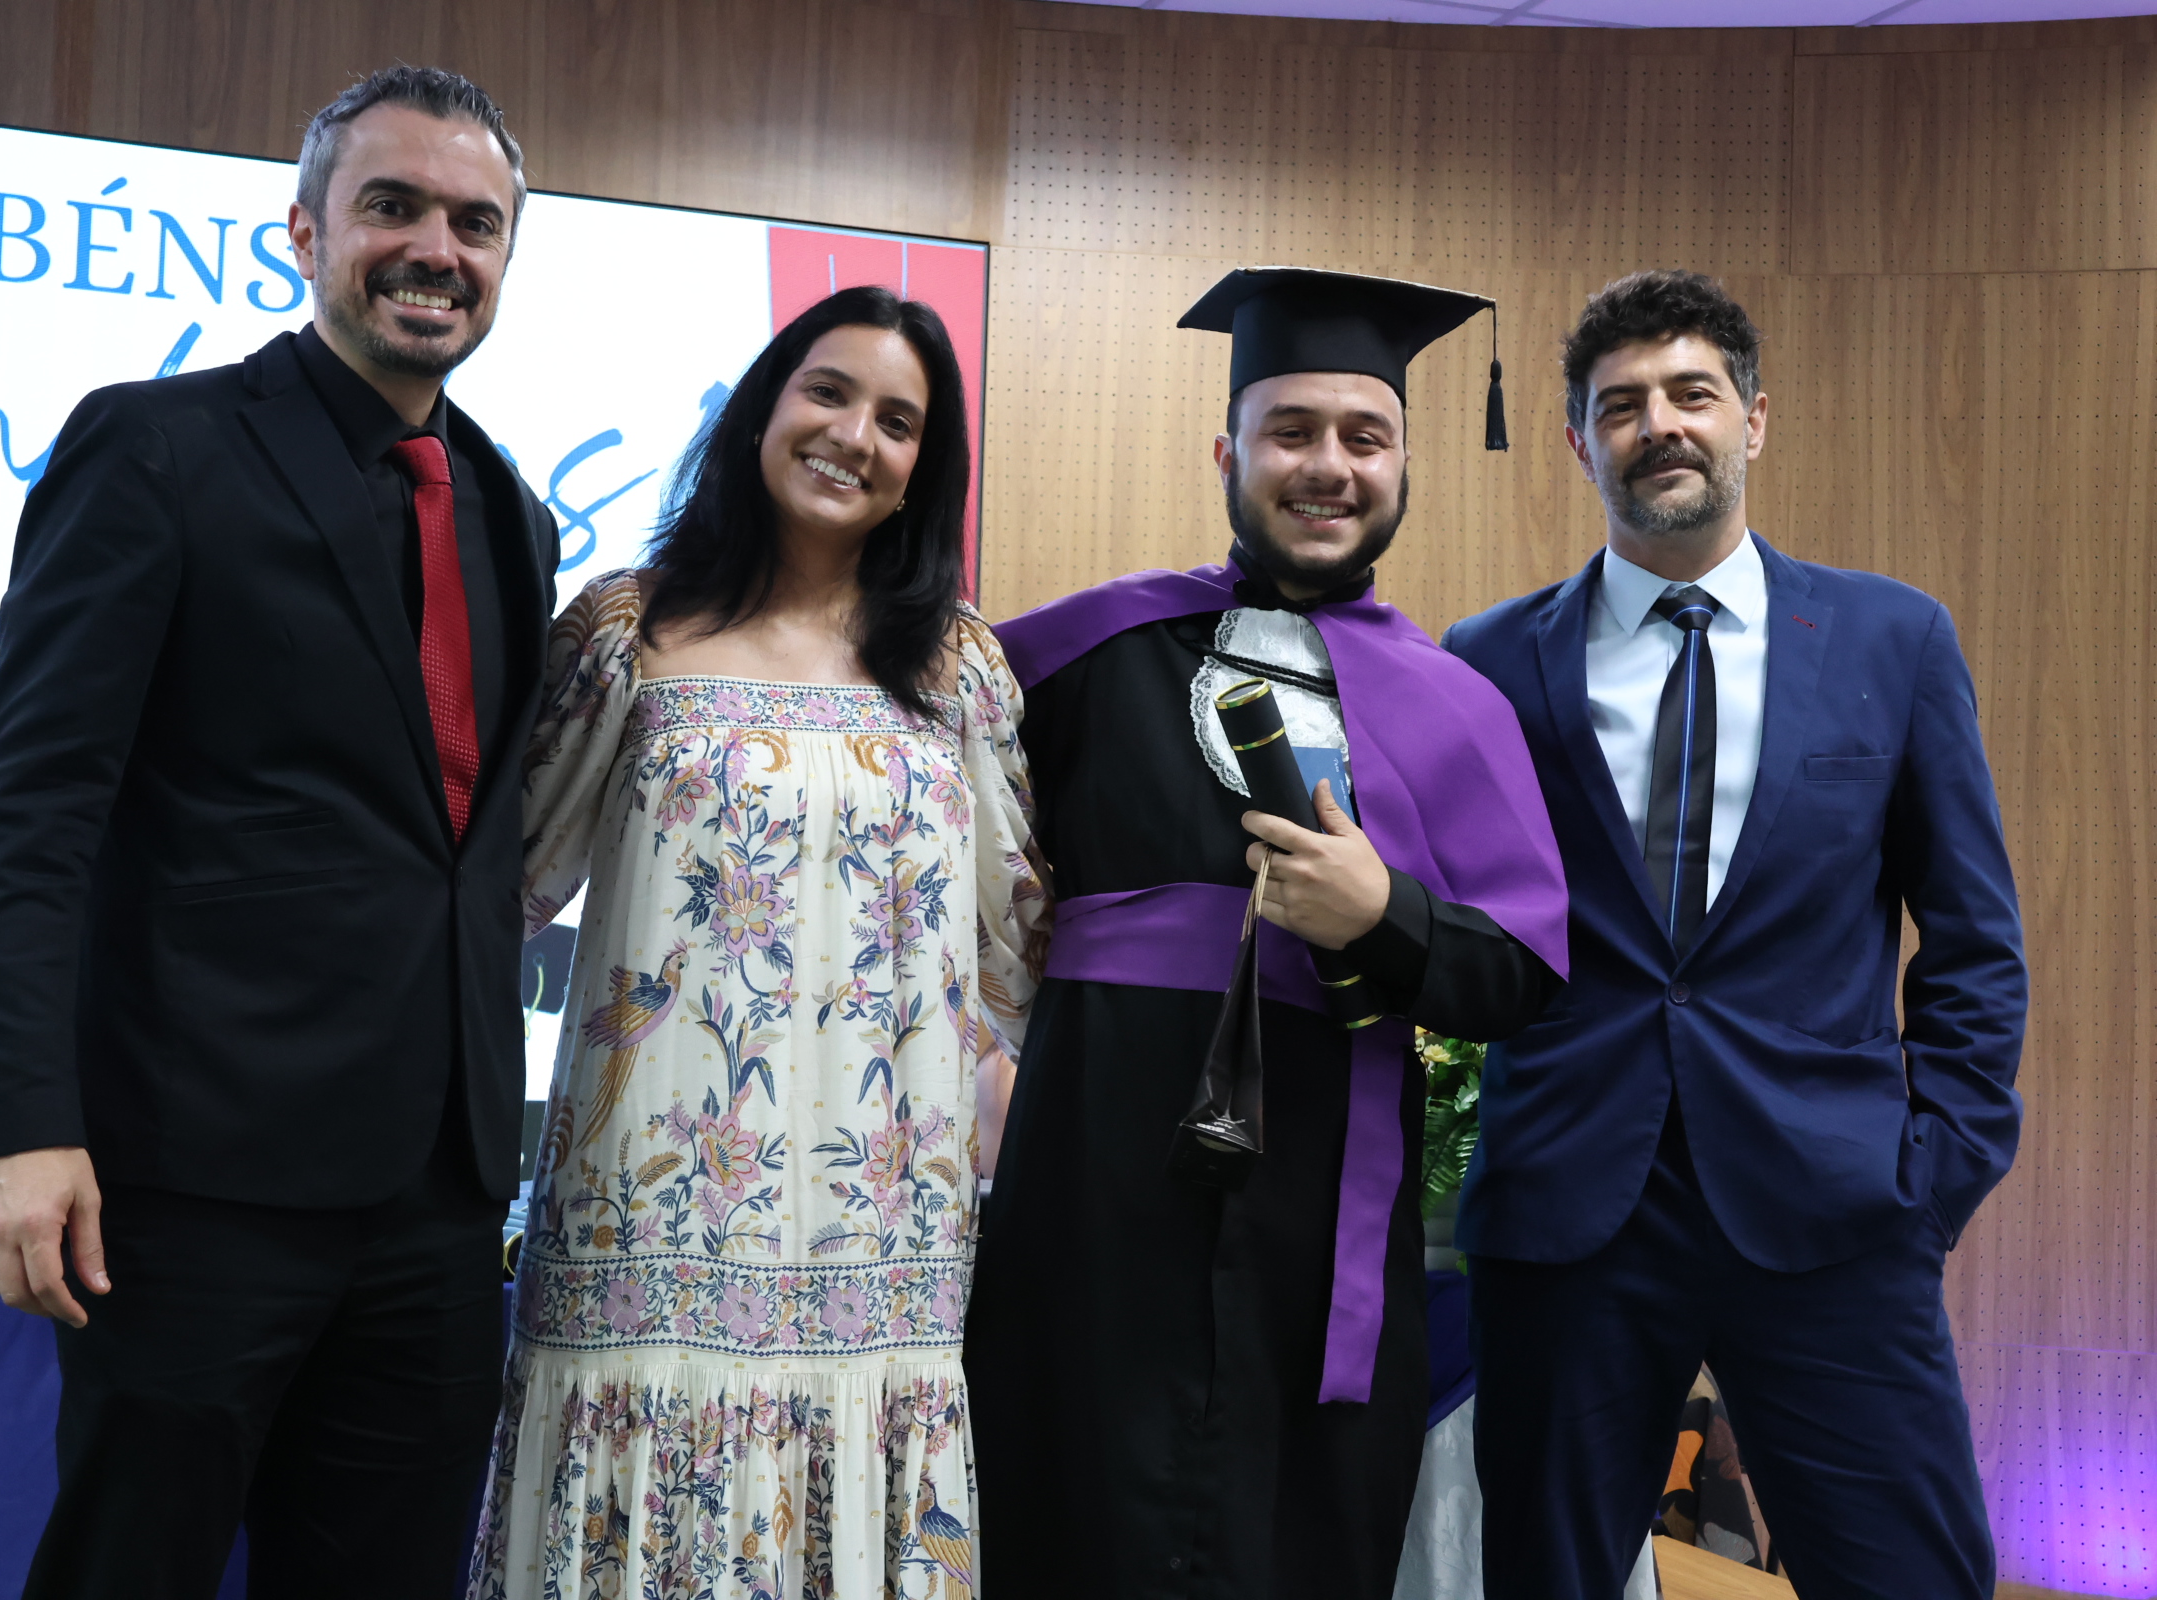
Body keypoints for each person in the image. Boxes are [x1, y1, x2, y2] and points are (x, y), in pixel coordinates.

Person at [0, 67, 558, 1599]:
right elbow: (34, 810)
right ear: (303, 230)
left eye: (475, 222)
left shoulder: (509, 511)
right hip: (191, 1188)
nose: (436, 249)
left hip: (441, 1199)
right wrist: (19, 1126)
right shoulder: (156, 449)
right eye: (393, 206)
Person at [967, 267, 1570, 1600]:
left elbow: (1523, 975)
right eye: (1291, 430)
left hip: (1318, 1232)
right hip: (1091, 1210)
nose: (1328, 465)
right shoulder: (1082, 655)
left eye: (1366, 436)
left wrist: (1383, 916)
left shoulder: (1454, 707)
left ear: (1403, 465)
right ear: (1228, 452)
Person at [1442, 269, 2028, 1600]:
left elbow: (1974, 940)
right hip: (1570, 1217)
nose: (1660, 423)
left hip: (1838, 1212)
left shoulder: (1894, 640)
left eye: (1692, 394)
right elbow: (1458, 923)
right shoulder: (1488, 660)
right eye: (1622, 404)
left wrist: (1934, 1179)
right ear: (1578, 440)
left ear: (1753, 419)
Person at [469, 285, 1044, 1600]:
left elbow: (1024, 938)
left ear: (924, 468)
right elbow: (497, 889)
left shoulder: (958, 669)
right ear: (761, 410)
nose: (853, 435)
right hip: (643, 1225)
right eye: (827, 392)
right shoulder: (629, 634)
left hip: (882, 1245)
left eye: (897, 420)